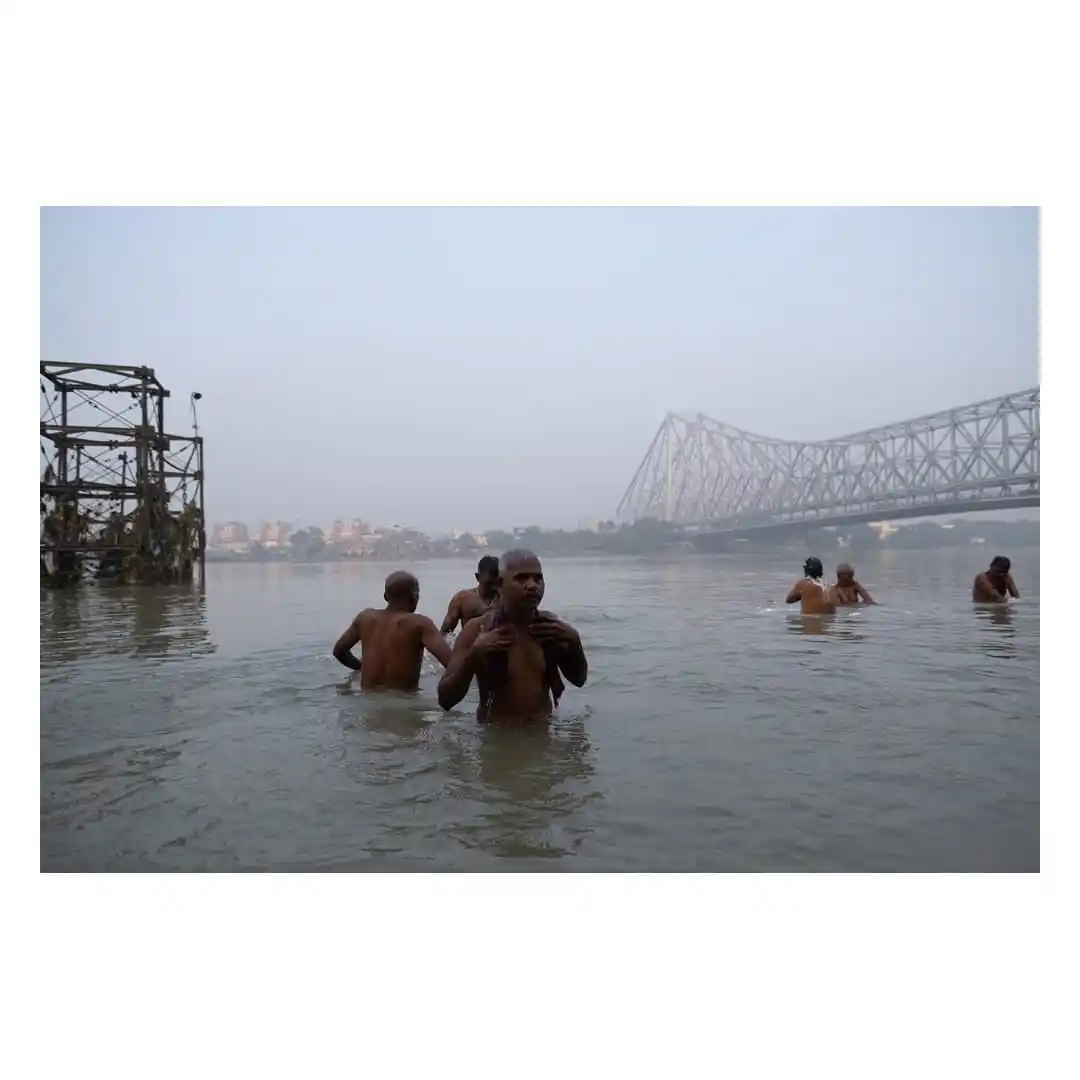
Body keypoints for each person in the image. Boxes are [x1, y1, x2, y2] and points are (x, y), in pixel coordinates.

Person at [437, 549, 588, 723]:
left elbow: (579, 680)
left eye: (538, 578)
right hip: (495, 734)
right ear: (500, 585)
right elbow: (445, 700)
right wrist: (474, 655)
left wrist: (574, 641)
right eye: (521, 578)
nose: (532, 585)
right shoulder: (478, 630)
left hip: (542, 732)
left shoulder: (550, 628)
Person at [332, 570, 452, 691]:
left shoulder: (364, 618)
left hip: (367, 698)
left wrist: (361, 668)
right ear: (415, 597)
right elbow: (452, 663)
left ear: (385, 596)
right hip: (404, 700)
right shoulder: (420, 624)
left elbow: (339, 651)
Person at [440, 555, 500, 634]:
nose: (494, 587)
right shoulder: (462, 599)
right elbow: (444, 633)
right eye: (489, 583)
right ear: (478, 577)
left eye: (498, 582)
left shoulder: (506, 601)